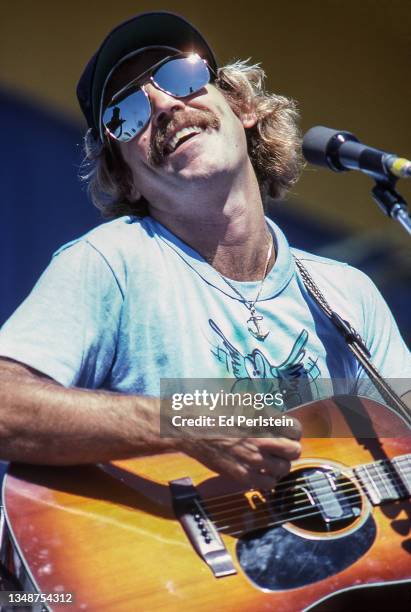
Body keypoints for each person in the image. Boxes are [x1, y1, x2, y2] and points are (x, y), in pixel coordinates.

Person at [0, 11, 409, 489]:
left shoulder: (347, 294)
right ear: (124, 174)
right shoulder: (110, 262)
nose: (162, 106)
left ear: (242, 106)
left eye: (181, 76)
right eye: (124, 114)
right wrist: (190, 420)